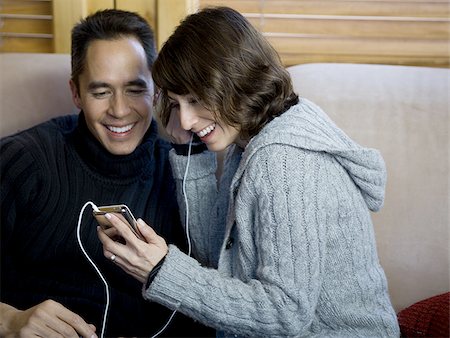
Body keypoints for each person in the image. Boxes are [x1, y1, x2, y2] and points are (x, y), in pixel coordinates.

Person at [97, 6, 400, 338]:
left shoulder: (282, 162)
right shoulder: (250, 139)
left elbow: (284, 314)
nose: (184, 119)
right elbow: (217, 257)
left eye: (196, 100)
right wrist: (191, 148)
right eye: (177, 102)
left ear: (233, 80)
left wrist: (161, 271)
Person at [0, 9, 213, 338]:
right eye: (100, 92)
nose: (119, 110)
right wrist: (10, 321)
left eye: (133, 89)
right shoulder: (24, 160)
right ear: (76, 93)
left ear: (156, 88)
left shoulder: (187, 171)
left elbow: (217, 295)